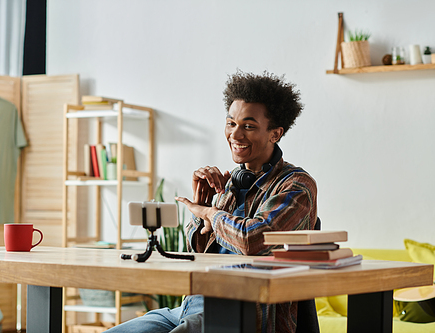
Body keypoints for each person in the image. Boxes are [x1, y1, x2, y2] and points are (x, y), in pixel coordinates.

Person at [106, 70, 318, 333]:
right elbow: (197, 251)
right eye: (231, 123)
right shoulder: (232, 183)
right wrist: (202, 207)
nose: (235, 135)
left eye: (249, 126)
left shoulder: (296, 185)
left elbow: (254, 240)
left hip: (242, 314)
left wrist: (210, 212)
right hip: (189, 306)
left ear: (275, 134)